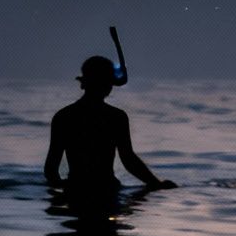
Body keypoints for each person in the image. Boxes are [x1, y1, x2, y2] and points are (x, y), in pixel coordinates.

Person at [44, 56, 175, 192]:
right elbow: (128, 159)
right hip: (108, 189)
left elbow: (51, 169)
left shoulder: (64, 116)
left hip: (75, 190)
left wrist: (61, 194)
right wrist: (156, 184)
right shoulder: (116, 117)